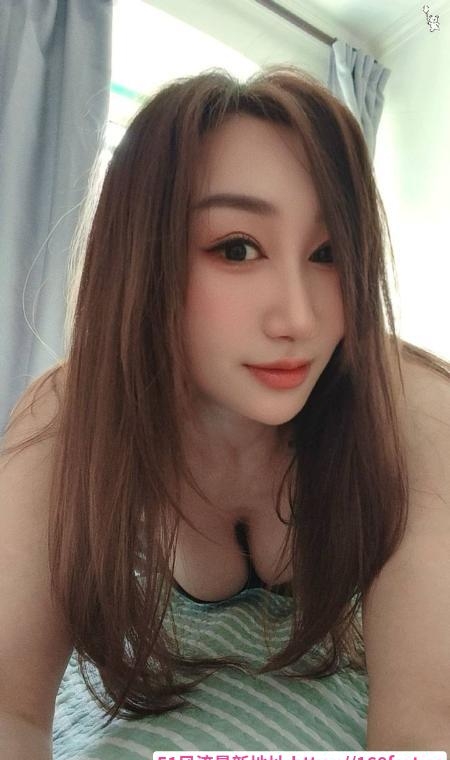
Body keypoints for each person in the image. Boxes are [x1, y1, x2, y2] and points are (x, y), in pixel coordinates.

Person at [1, 65, 450, 754]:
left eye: (328, 253)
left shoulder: (410, 406)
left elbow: (423, 729)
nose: (299, 319)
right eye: (237, 249)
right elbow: (8, 701)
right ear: (142, 258)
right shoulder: (70, 415)